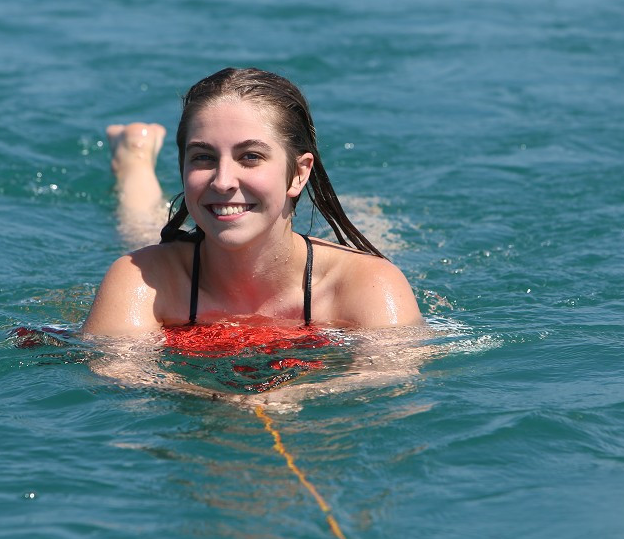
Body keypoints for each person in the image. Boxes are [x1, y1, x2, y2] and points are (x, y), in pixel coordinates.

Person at [82, 67, 422, 341]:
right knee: (138, 230)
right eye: (203, 157)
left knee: (372, 236)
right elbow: (119, 380)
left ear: (299, 174)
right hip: (185, 253)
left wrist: (291, 394)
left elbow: (390, 383)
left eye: (250, 156)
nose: (222, 180)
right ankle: (134, 159)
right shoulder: (145, 279)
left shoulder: (369, 285)